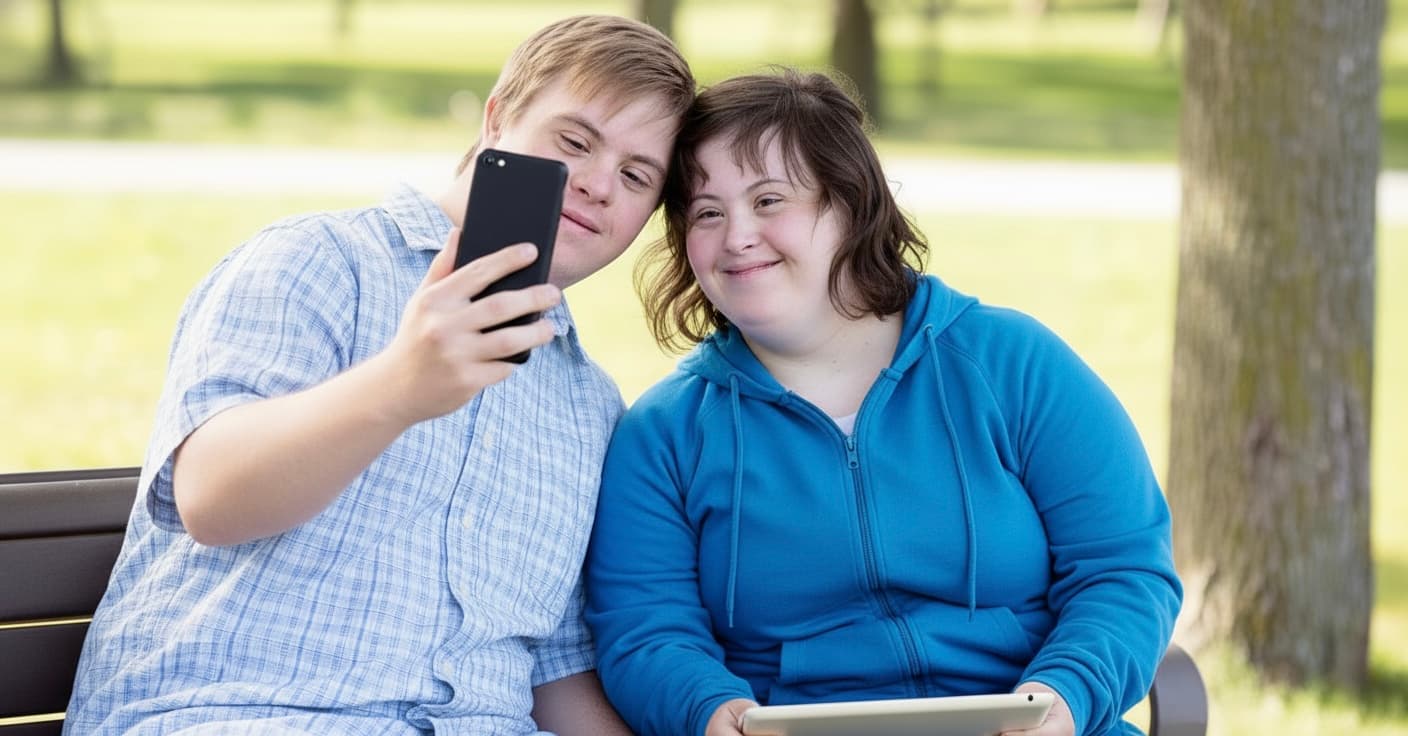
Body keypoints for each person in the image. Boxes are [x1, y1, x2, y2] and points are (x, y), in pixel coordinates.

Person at [64, 15, 694, 735]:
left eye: (636, 175)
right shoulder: (314, 265)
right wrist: (400, 387)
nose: (597, 185)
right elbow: (210, 497)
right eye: (574, 142)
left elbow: (551, 664)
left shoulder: (587, 402)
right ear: (496, 121)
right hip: (236, 714)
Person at [583, 68, 1182, 736]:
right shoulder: (663, 436)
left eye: (770, 200)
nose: (737, 235)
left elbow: (1123, 570)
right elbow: (646, 631)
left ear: (850, 205)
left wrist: (1065, 697)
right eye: (708, 213)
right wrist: (710, 711)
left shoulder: (1013, 364)